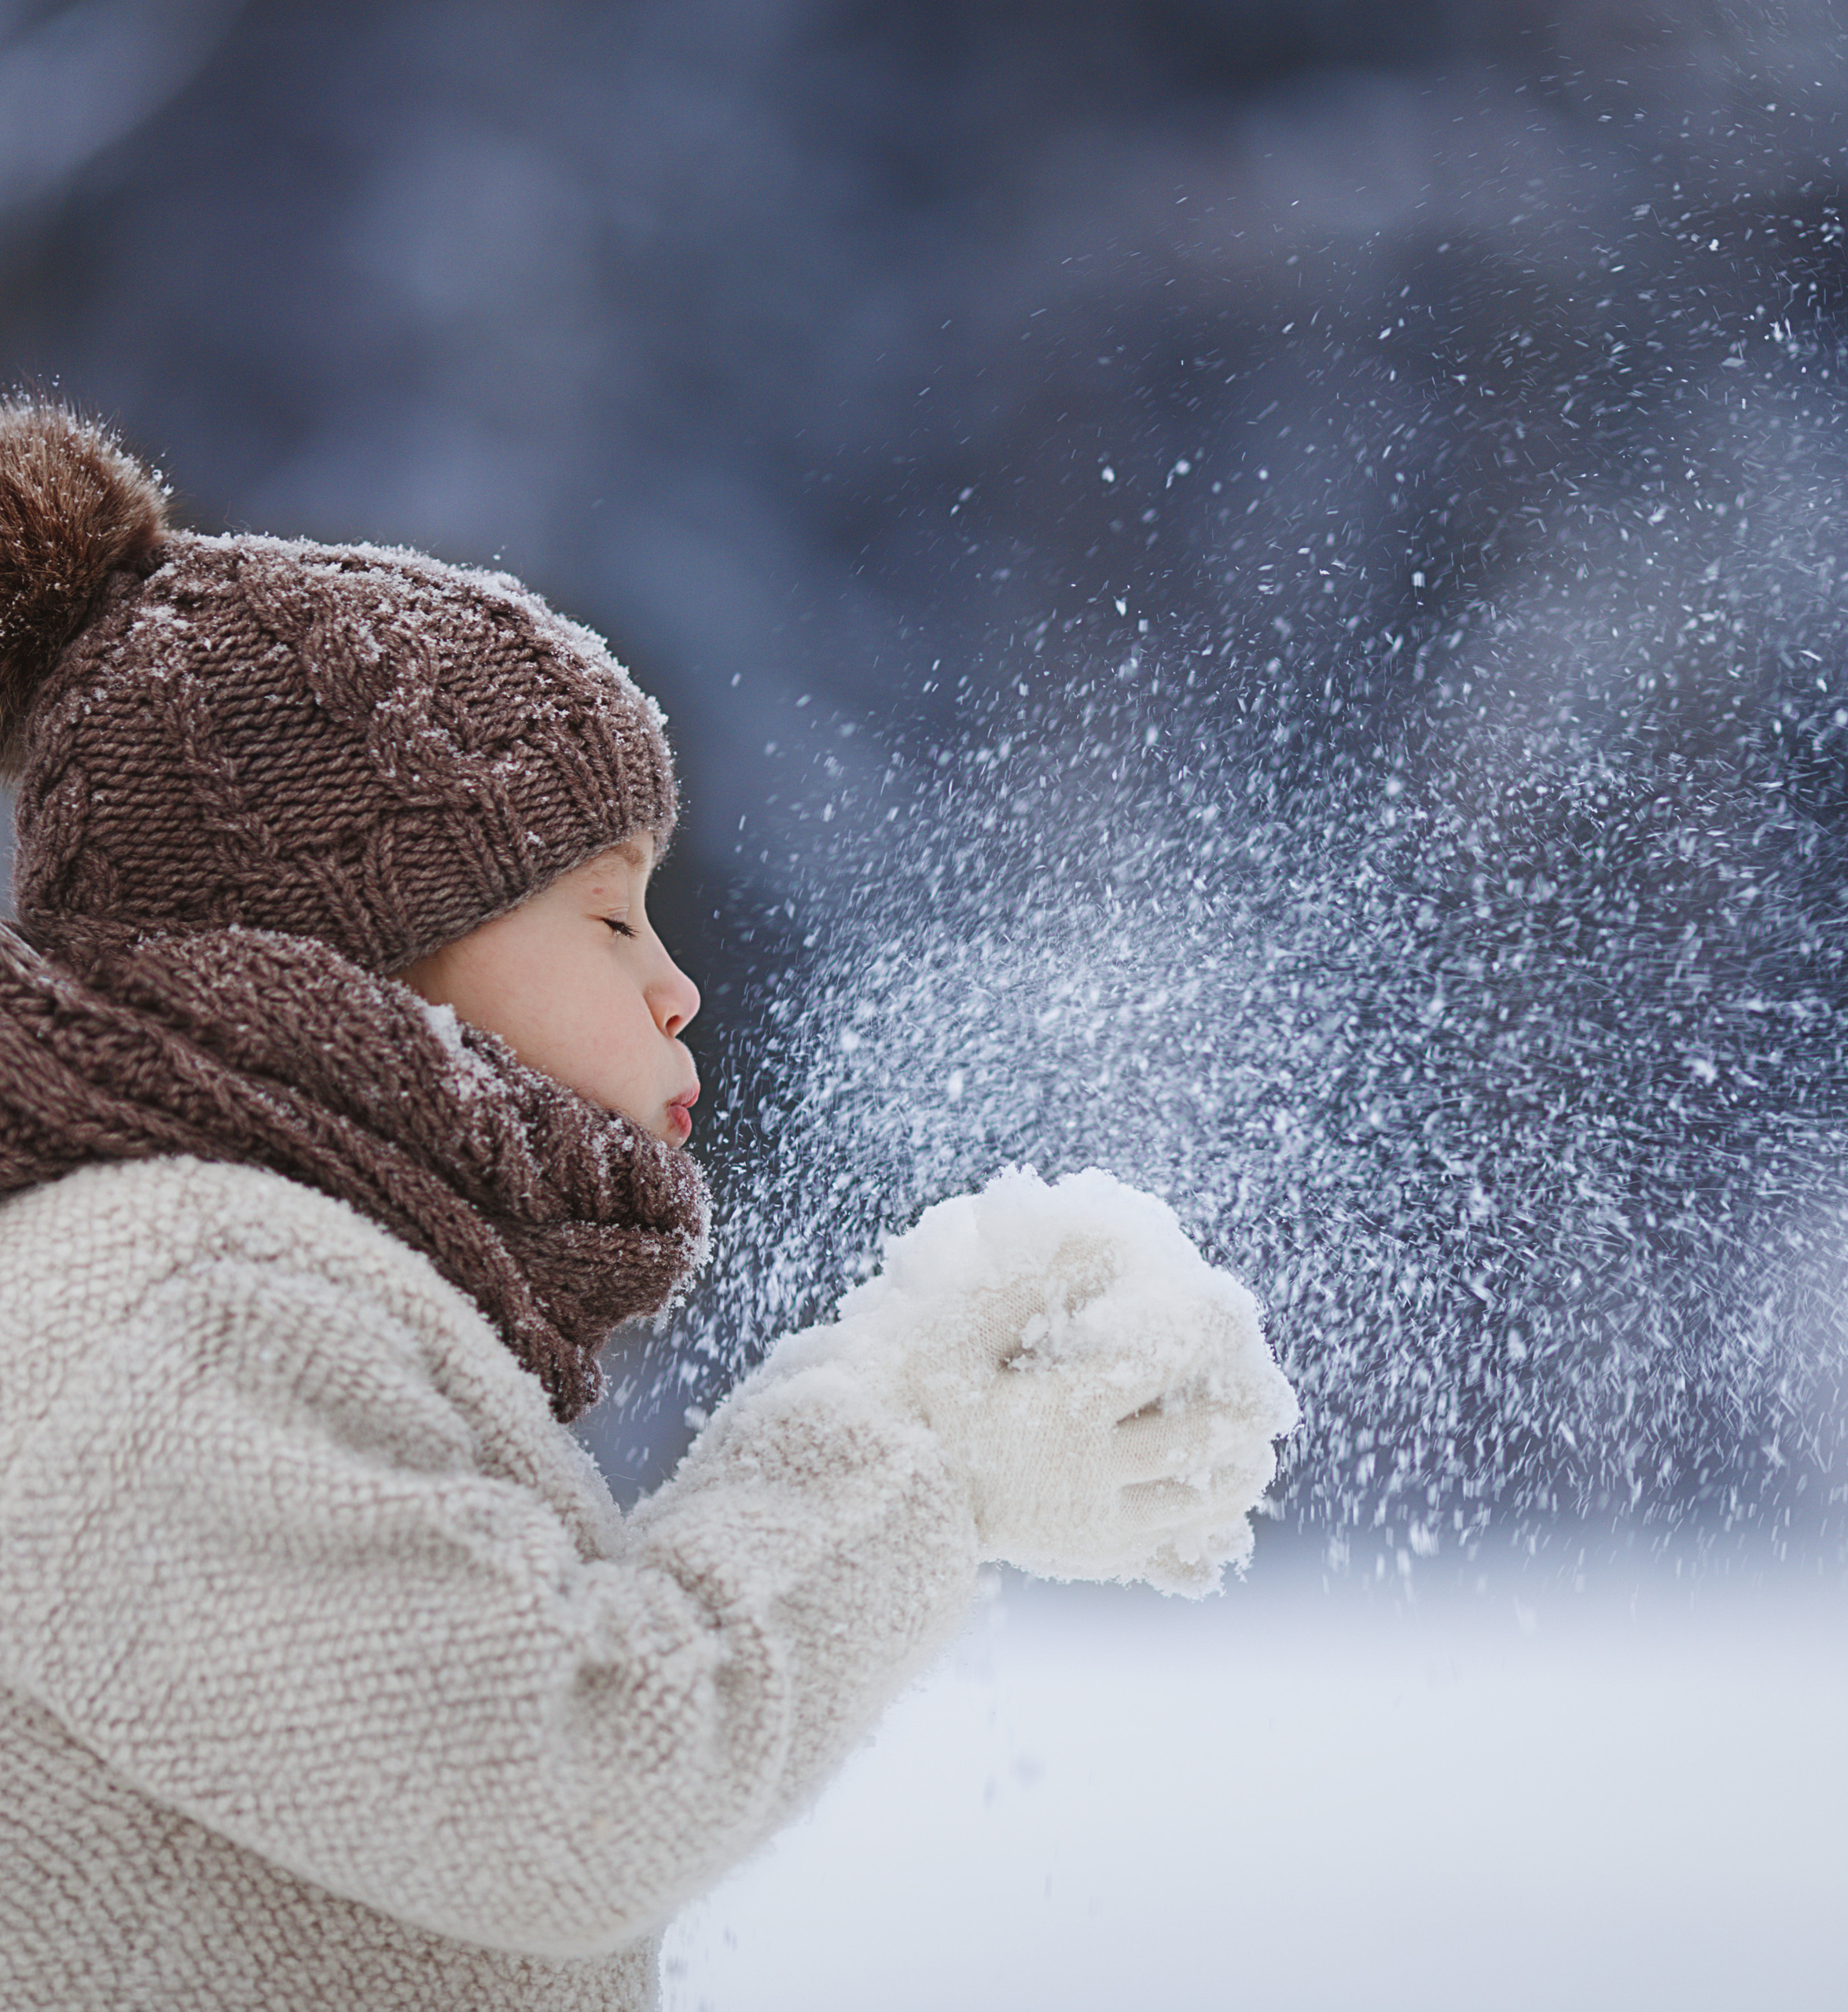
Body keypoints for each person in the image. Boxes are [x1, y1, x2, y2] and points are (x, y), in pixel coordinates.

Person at [0, 400, 1297, 2011]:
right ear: (346, 948)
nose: (675, 987)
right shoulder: (181, 1307)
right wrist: (911, 1440)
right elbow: (583, 1783)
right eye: (608, 916)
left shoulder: (234, 1283)